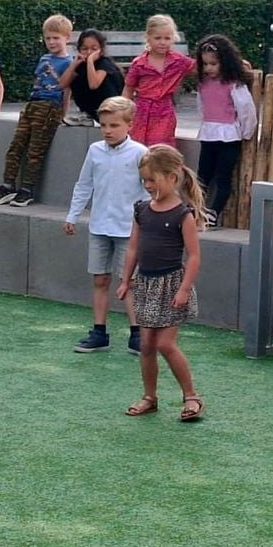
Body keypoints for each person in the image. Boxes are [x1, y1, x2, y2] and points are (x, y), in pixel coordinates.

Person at [118, 144, 206, 422]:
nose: (147, 185)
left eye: (152, 179)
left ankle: (192, 397)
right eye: (144, 179)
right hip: (146, 284)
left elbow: (193, 257)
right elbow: (133, 247)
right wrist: (126, 280)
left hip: (171, 286)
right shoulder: (141, 210)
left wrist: (183, 289)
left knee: (165, 344)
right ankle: (149, 397)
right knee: (146, 344)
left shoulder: (183, 214)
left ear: (172, 177)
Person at [65, 96, 149, 355]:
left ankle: (137, 334)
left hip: (129, 229)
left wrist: (146, 223)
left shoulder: (141, 153)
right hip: (100, 226)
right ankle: (99, 332)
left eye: (114, 125)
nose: (108, 131)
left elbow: (148, 191)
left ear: (129, 125)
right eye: (103, 125)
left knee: (130, 281)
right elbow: (84, 184)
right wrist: (72, 215)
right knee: (100, 278)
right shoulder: (95, 151)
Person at [0, 14, 75, 208]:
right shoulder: (44, 58)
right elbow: (38, 81)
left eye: (56, 38)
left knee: (35, 151)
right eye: (48, 38)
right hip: (32, 104)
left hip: (50, 107)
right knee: (16, 147)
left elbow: (67, 89)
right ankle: (7, 185)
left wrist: (62, 114)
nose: (51, 42)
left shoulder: (69, 62)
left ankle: (27, 189)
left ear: (67, 37)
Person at [194, 34, 257, 227]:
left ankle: (214, 211)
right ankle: (197, 208)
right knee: (203, 175)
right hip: (209, 133)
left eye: (213, 64)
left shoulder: (233, 84)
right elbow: (202, 107)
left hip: (229, 136)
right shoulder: (203, 84)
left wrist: (246, 133)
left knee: (223, 176)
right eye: (205, 64)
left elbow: (246, 110)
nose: (209, 68)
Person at [122, 14, 194, 148]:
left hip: (164, 110)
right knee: (137, 145)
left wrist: (232, 64)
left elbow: (200, 68)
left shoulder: (179, 61)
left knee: (160, 147)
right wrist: (123, 111)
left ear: (173, 38)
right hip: (141, 110)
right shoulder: (139, 63)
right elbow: (128, 88)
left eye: (167, 38)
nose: (162, 42)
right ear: (148, 37)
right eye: (157, 38)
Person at [60, 29, 124, 127]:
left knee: (95, 79)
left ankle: (99, 119)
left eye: (94, 49)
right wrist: (73, 65)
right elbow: (62, 84)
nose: (89, 52)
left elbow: (93, 85)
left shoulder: (104, 63)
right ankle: (89, 116)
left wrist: (90, 61)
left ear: (101, 50)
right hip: (90, 108)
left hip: (110, 107)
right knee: (75, 76)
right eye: (84, 49)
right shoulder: (80, 64)